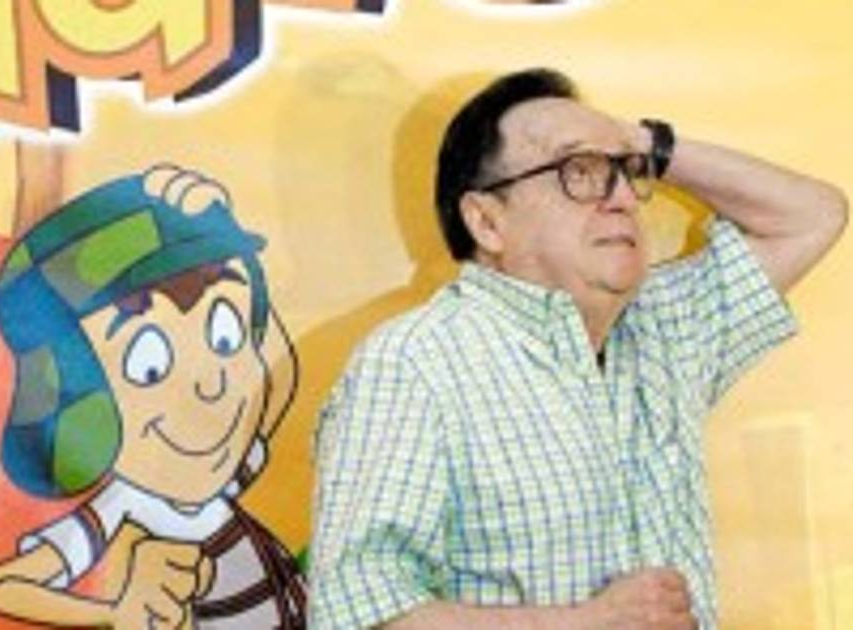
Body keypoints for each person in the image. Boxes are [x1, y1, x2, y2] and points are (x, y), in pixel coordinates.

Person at [308, 68, 847, 629]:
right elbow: (358, 614)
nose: (623, 198)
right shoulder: (416, 363)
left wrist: (644, 143)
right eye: (578, 171)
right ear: (487, 222)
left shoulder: (663, 326)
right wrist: (587, 622)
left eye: (626, 172)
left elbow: (811, 217)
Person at [0, 165, 306, 629]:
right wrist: (113, 615)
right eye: (148, 366)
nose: (211, 387)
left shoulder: (220, 476)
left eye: (226, 336)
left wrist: (218, 223)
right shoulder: (128, 505)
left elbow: (278, 381)